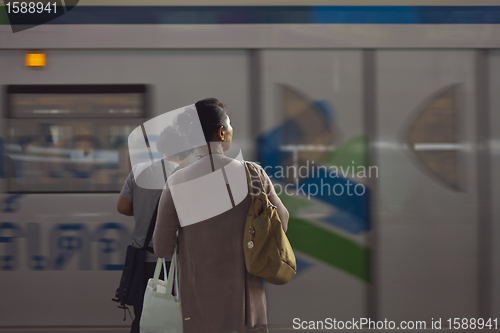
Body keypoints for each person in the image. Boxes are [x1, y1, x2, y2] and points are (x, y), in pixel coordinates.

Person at [153, 98, 289, 333]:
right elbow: (282, 221)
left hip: (198, 305)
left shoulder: (175, 182)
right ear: (222, 131)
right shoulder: (253, 174)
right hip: (247, 304)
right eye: (229, 125)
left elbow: (161, 248)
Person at [117, 123, 191, 333]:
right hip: (172, 263)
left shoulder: (138, 171)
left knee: (145, 316)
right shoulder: (185, 178)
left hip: (141, 261)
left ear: (160, 149)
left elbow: (122, 207)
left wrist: (143, 212)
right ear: (185, 152)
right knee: (173, 317)